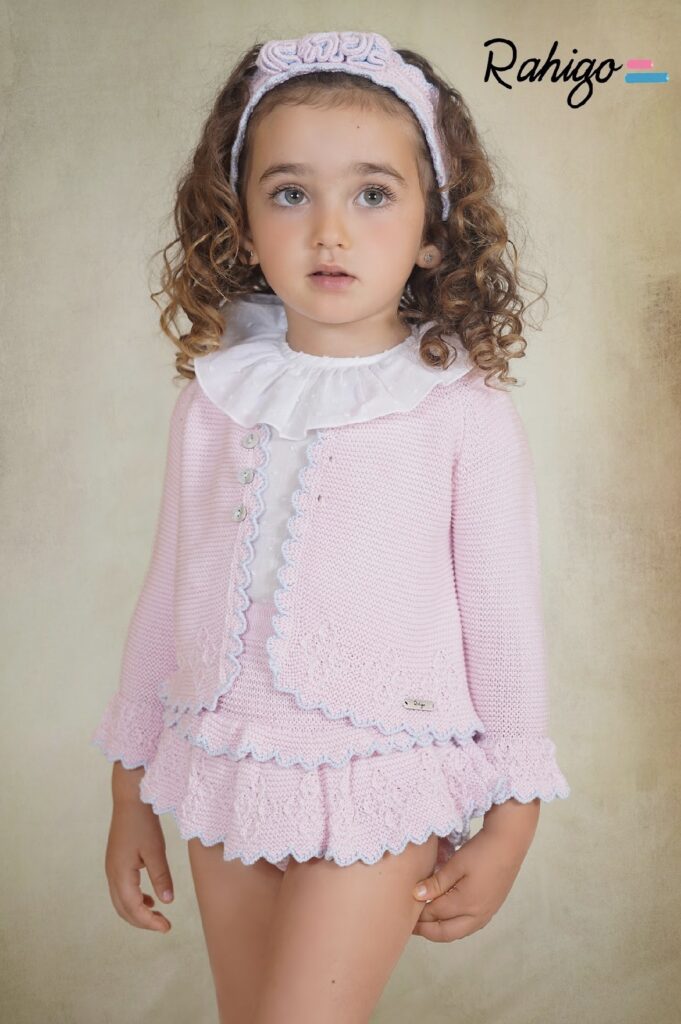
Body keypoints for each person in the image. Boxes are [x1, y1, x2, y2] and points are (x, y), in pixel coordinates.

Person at [91, 29, 571, 1024]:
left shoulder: (460, 408)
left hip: (380, 770)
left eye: (372, 194)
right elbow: (167, 594)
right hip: (224, 762)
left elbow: (502, 619)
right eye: (289, 193)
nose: (329, 232)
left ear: (433, 227)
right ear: (241, 224)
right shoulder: (215, 400)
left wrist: (513, 817)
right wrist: (130, 791)